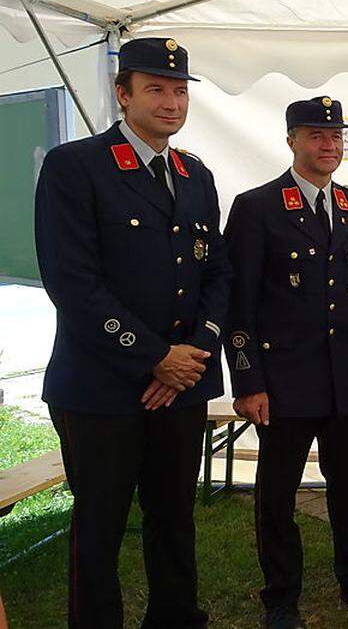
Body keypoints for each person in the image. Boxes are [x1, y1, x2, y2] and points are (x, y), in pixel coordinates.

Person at [33, 36, 231, 628]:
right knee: (101, 524)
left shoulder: (196, 174)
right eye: (155, 90)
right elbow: (71, 281)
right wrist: (154, 358)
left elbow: (216, 271)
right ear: (124, 95)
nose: (171, 102)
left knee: (174, 516)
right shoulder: (77, 167)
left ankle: (175, 617)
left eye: (178, 91)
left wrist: (191, 356)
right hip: (101, 387)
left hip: (181, 383)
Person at [223, 96, 348, 627]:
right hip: (284, 381)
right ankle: (281, 597)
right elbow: (240, 304)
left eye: (335, 136)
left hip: (345, 378)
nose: (328, 145)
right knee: (277, 496)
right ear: (292, 140)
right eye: (315, 135)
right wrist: (249, 380)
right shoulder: (257, 207)